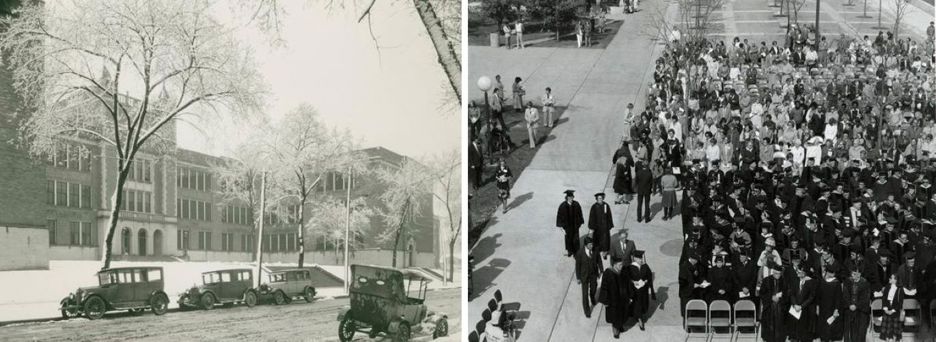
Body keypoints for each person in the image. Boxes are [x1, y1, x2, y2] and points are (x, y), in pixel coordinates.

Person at [599, 256, 630, 338]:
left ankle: (620, 326)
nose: (621, 266)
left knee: (622, 313)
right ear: (615, 265)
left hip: (622, 298)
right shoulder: (608, 273)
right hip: (613, 299)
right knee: (615, 316)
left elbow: (627, 284)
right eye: (620, 265)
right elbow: (604, 287)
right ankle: (615, 330)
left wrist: (629, 295)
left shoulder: (623, 271)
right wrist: (605, 301)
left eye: (622, 264)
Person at [788, 265, 817, 342]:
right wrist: (795, 304)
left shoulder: (811, 282)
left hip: (806, 311)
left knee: (805, 336)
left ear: (804, 273)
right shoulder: (794, 281)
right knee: (795, 335)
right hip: (795, 310)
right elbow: (792, 294)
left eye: (799, 271)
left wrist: (801, 306)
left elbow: (811, 297)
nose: (797, 272)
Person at [760, 262, 788, 342]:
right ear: (773, 272)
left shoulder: (784, 281)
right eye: (776, 273)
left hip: (780, 307)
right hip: (769, 307)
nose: (777, 275)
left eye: (779, 274)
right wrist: (771, 297)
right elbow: (762, 293)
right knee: (769, 327)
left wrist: (780, 299)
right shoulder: (766, 280)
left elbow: (787, 294)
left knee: (780, 327)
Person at [843, 265, 871, 342]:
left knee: (860, 331)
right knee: (849, 329)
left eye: (855, 274)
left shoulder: (865, 283)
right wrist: (849, 305)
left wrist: (857, 306)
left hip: (861, 310)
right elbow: (845, 295)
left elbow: (865, 298)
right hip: (849, 308)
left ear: (860, 274)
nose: (853, 276)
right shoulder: (847, 281)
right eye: (852, 274)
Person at [816, 264, 844, 342]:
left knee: (830, 328)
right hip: (822, 308)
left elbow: (838, 298)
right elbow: (818, 295)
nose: (832, 274)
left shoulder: (836, 283)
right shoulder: (822, 281)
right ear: (827, 272)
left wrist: (836, 309)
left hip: (832, 308)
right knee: (823, 328)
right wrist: (817, 307)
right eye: (831, 273)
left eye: (833, 273)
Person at [628, 250, 655, 330]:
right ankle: (640, 320)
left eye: (641, 258)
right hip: (635, 291)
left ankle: (639, 316)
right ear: (635, 259)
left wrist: (647, 280)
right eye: (639, 258)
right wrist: (633, 282)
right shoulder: (630, 267)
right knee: (637, 305)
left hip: (644, 290)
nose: (641, 260)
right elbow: (627, 278)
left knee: (643, 304)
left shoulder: (645, 266)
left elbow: (649, 275)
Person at [557, 190, 585, 257]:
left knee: (575, 239)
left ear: (573, 197)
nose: (571, 199)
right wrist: (560, 226)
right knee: (568, 239)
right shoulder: (562, 205)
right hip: (567, 226)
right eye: (569, 197)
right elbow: (559, 215)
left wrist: (580, 222)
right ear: (566, 198)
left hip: (575, 226)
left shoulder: (576, 204)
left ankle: (576, 252)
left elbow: (580, 214)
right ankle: (570, 251)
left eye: (572, 197)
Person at [879, 274, 904, 342]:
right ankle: (888, 338)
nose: (889, 279)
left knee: (895, 331)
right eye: (890, 277)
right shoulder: (887, 287)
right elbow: (884, 299)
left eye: (891, 278)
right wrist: (886, 309)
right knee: (887, 332)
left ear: (896, 280)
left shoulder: (900, 289)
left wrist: (892, 310)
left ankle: (894, 338)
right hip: (887, 310)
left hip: (895, 311)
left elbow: (900, 303)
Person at [589, 192, 614, 258]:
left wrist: (609, 225)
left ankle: (604, 253)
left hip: (605, 227)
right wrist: (592, 227)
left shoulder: (606, 205)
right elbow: (591, 217)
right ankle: (597, 252)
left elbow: (609, 215)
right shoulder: (594, 206)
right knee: (597, 240)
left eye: (601, 198)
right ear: (596, 199)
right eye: (599, 198)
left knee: (605, 240)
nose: (600, 199)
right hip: (597, 227)